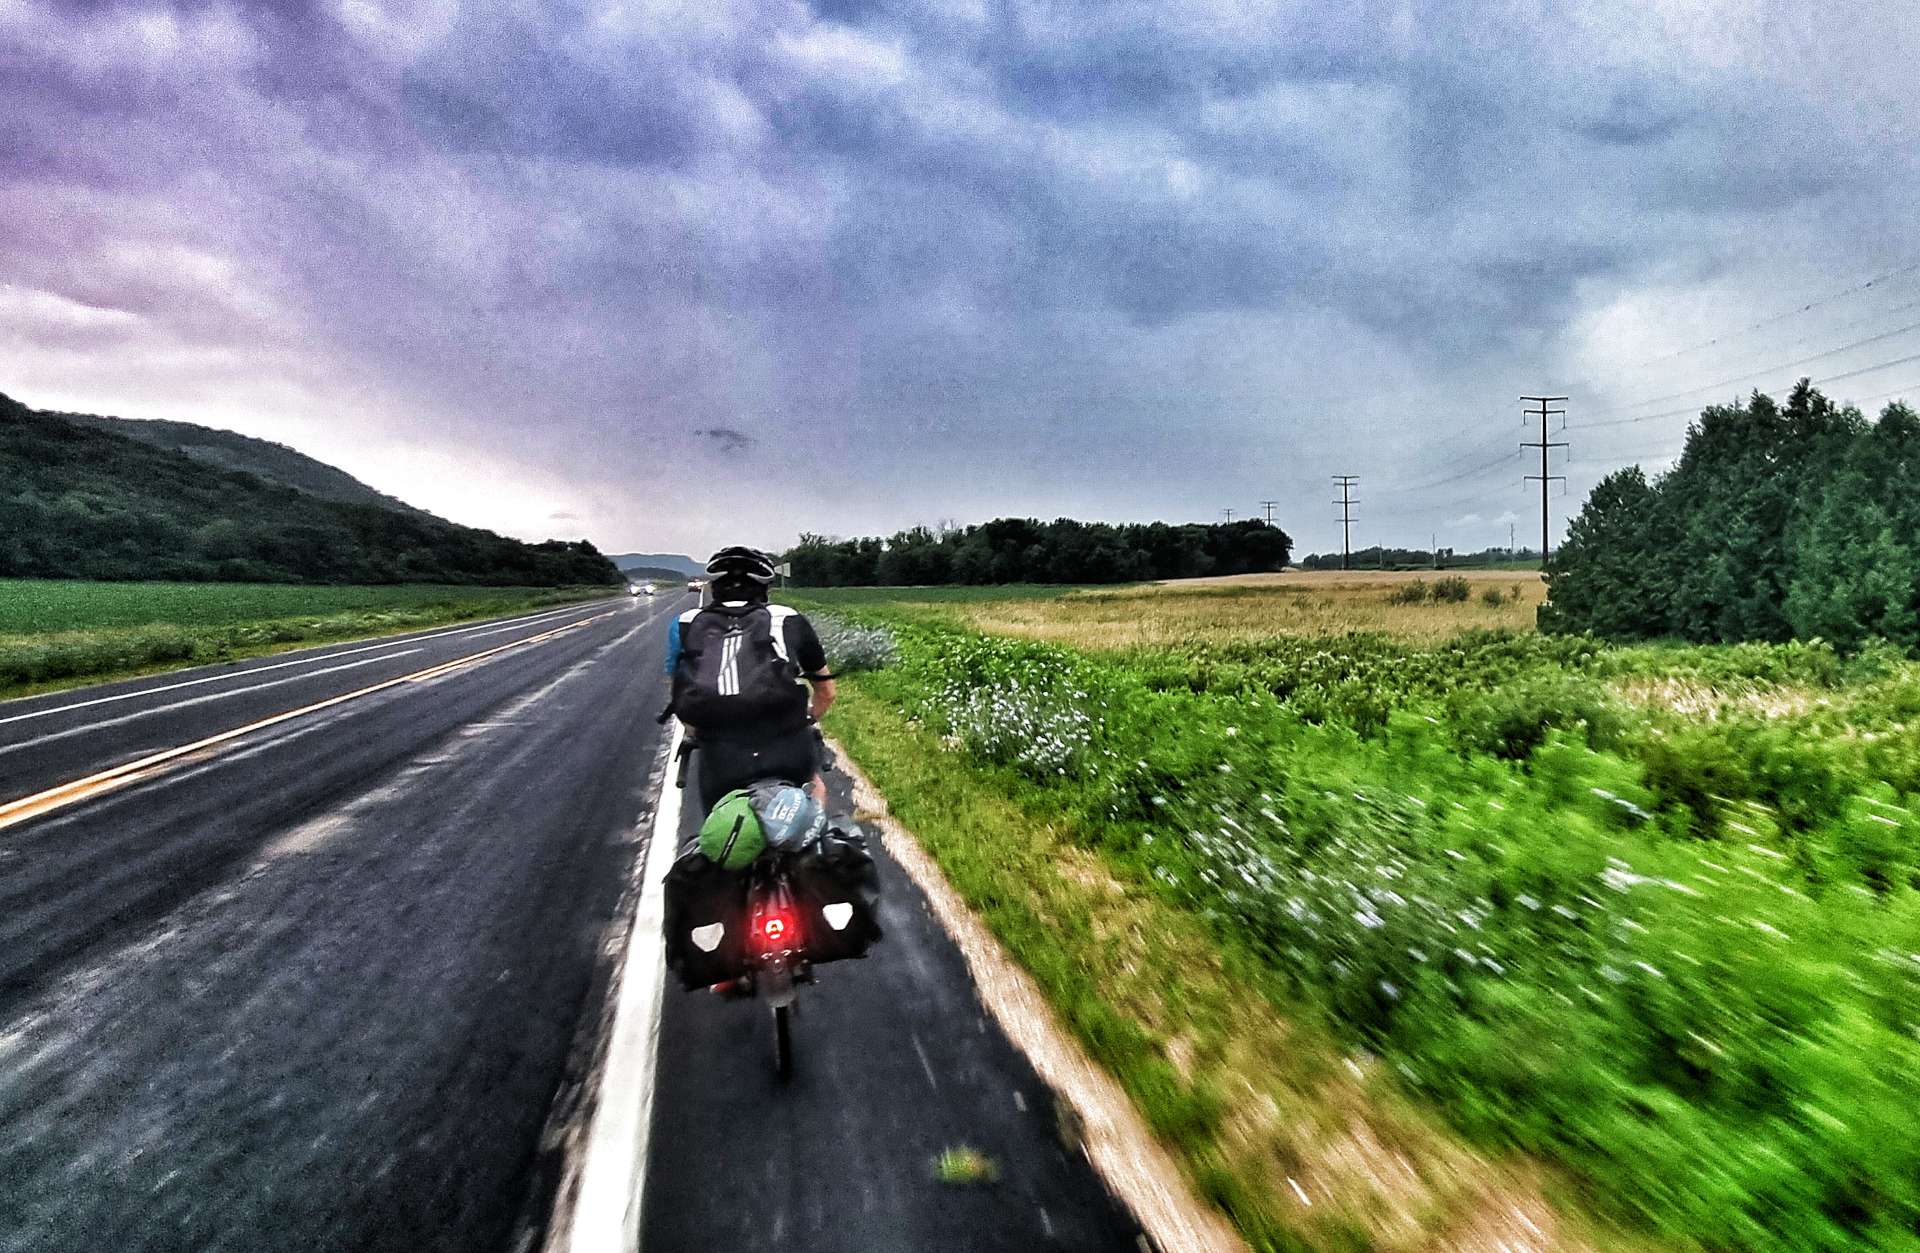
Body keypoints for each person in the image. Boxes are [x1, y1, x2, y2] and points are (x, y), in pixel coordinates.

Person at [665, 546, 835, 814]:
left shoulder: (684, 623)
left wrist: (697, 731)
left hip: (720, 753)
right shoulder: (787, 618)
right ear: (764, 588)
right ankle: (815, 833)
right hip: (788, 746)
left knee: (720, 821)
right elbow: (826, 691)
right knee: (813, 793)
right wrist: (808, 719)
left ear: (714, 587)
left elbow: (678, 692)